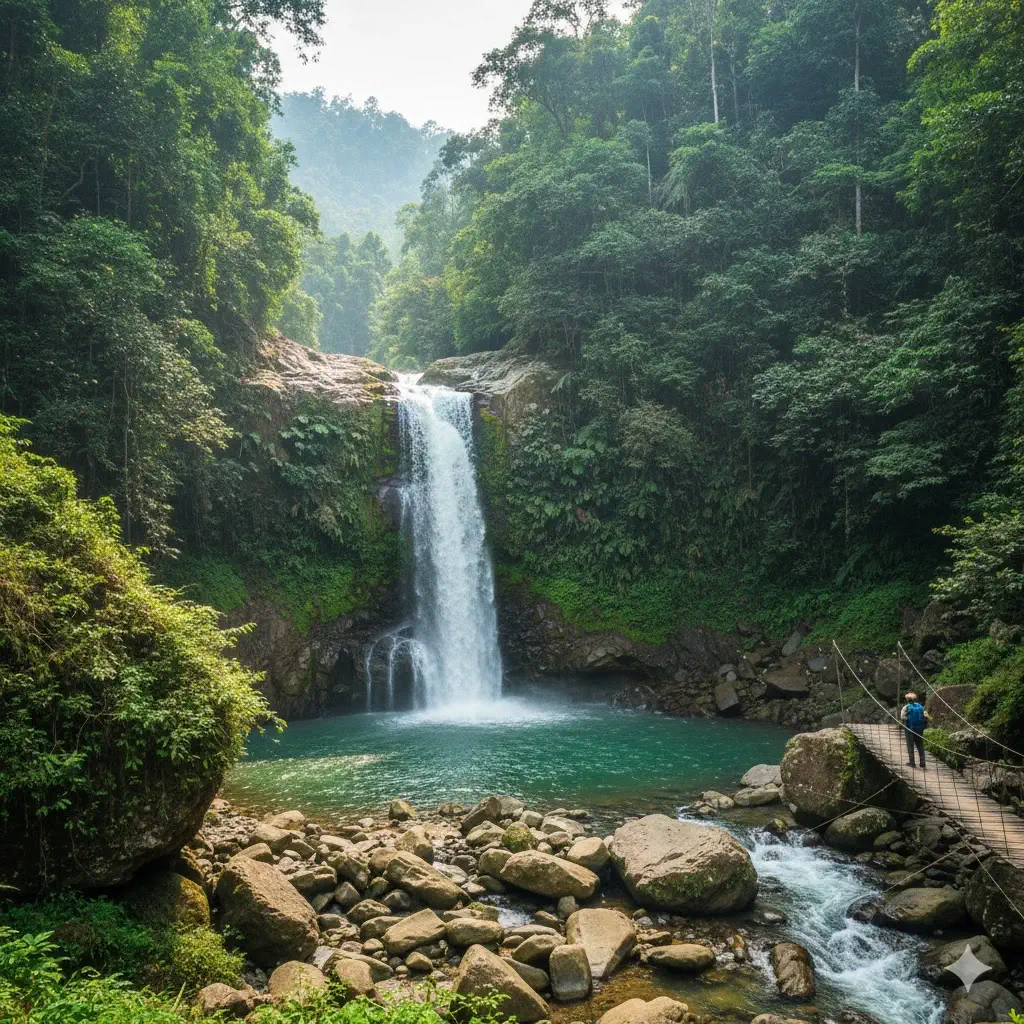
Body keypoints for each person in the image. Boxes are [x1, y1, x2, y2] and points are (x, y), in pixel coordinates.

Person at [900, 691, 929, 768]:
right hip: (919, 729)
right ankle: (922, 763)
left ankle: (912, 763)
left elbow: (902, 717)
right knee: (920, 746)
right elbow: (926, 716)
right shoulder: (920, 707)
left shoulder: (906, 707)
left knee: (910, 746)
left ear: (907, 699)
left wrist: (905, 723)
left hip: (909, 729)